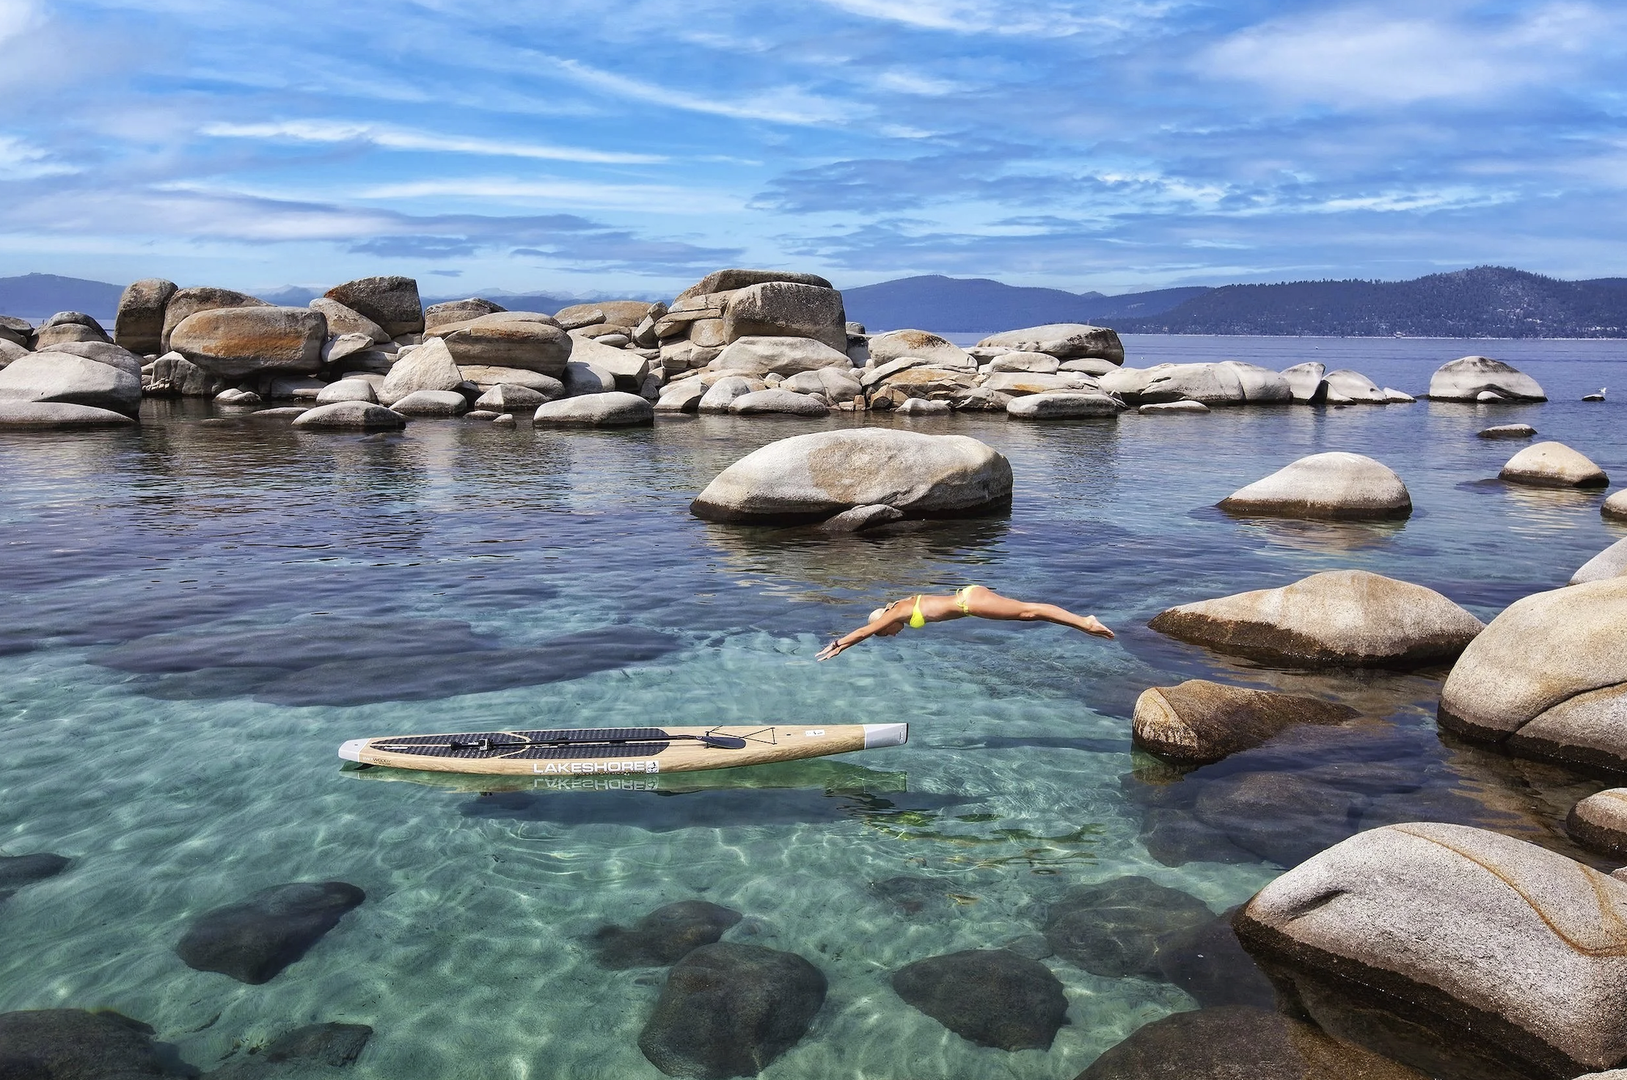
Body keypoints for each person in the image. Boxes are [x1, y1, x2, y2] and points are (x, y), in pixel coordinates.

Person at [815, 584, 1114, 660]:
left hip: (969, 603)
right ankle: (1082, 624)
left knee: (1029, 612)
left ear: (884, 623)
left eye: (886, 634)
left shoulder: (894, 613)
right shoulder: (899, 605)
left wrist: (839, 644)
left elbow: (867, 630)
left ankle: (1084, 623)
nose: (891, 636)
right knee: (1027, 613)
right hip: (969, 597)